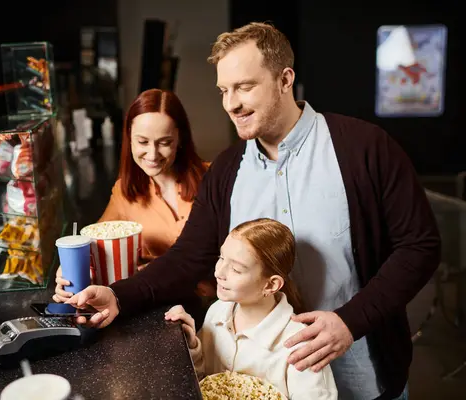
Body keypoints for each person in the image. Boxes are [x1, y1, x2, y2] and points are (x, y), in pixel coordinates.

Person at [67, 22, 441, 400]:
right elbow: (187, 258)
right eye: (224, 91)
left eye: (245, 87)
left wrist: (350, 322)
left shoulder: (364, 148)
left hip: (361, 378)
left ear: (284, 79)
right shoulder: (227, 171)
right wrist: (119, 296)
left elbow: (420, 246)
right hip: (262, 384)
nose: (232, 103)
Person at [53, 88, 212, 304]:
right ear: (129, 139)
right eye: (143, 142)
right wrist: (69, 270)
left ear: (180, 138)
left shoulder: (214, 178)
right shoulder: (125, 192)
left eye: (164, 142)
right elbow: (95, 246)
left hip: (215, 305)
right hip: (158, 305)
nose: (153, 154)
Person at [165, 218, 338, 399]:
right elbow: (203, 381)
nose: (219, 273)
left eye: (236, 269)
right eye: (221, 258)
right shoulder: (217, 312)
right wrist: (190, 344)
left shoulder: (300, 347)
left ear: (271, 285)